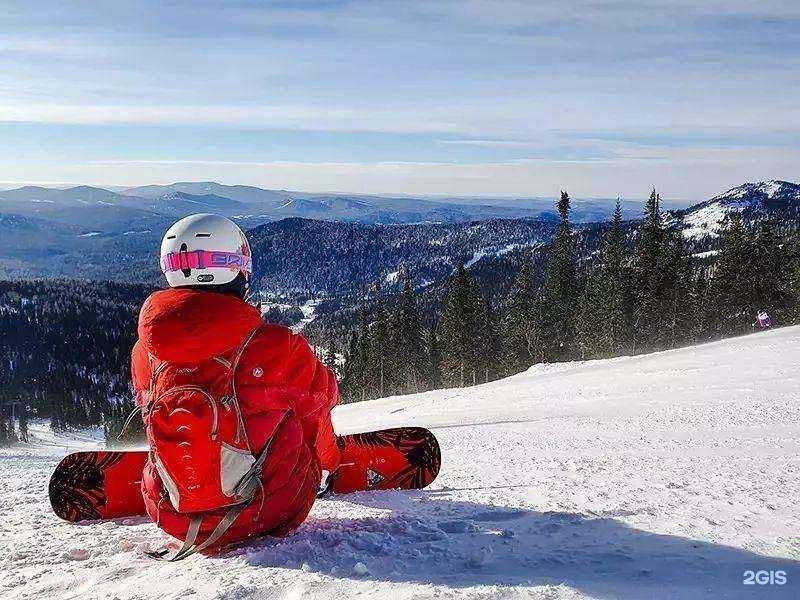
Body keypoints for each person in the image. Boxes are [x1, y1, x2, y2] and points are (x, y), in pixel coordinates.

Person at [130, 213, 340, 559]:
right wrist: (330, 461)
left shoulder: (145, 352)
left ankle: (185, 481)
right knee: (301, 410)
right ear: (238, 271)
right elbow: (324, 400)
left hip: (172, 516)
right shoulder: (276, 346)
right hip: (270, 510)